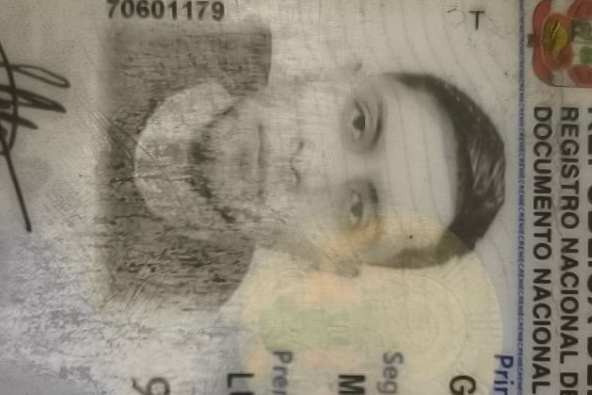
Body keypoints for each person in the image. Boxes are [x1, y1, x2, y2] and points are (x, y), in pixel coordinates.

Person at [99, 21, 507, 308]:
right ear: (338, 72)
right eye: (358, 122)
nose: (307, 165)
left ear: (333, 264)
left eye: (355, 209)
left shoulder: (169, 305)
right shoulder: (168, 27)